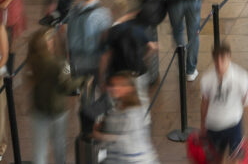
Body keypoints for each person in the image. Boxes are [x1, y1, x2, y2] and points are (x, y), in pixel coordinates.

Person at [27, 27, 88, 164]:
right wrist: (83, 79)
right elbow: (68, 86)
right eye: (49, 39)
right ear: (45, 43)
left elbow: (64, 70)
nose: (52, 41)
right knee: (59, 146)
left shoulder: (33, 60)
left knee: (39, 151)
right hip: (57, 111)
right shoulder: (57, 64)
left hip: (38, 109)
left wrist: (67, 66)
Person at [200, 43, 248, 163]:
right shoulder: (206, 78)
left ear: (229, 57)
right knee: (216, 159)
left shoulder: (241, 77)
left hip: (234, 124)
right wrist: (202, 125)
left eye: (223, 60)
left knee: (237, 159)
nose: (219, 64)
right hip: (213, 125)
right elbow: (204, 103)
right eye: (216, 60)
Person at [93, 72, 159, 164]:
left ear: (129, 89)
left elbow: (125, 141)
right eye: (111, 85)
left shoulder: (134, 113)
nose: (114, 89)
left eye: (119, 86)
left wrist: (98, 135)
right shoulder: (116, 109)